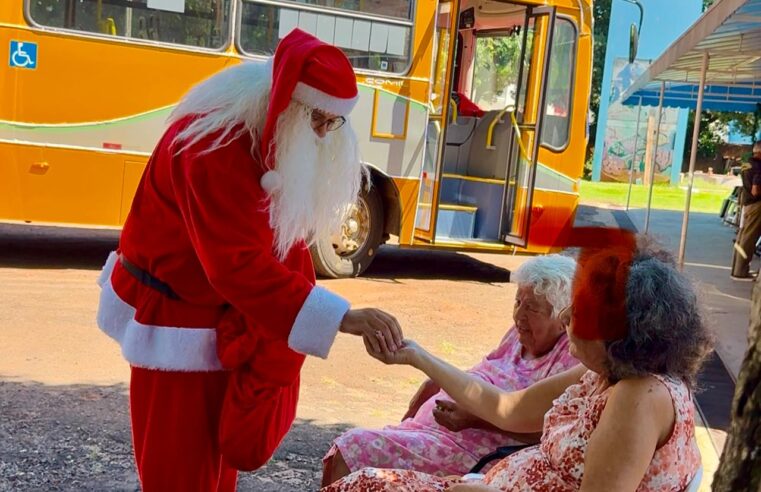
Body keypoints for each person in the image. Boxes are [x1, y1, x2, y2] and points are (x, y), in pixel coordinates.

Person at [95, 29, 403, 491]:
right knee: (178, 473)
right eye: (318, 119)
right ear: (288, 102)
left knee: (216, 473)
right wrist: (340, 317)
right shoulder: (213, 145)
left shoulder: (264, 132)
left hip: (216, 325)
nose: (323, 132)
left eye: (332, 122)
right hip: (174, 326)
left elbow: (282, 243)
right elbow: (236, 265)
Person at [324, 232, 713, 492]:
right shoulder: (607, 372)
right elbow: (507, 408)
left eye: (575, 313)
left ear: (617, 331)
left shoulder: (639, 398)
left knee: (363, 484)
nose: (564, 321)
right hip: (489, 482)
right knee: (363, 481)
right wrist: (417, 356)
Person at [322, 255, 579, 485]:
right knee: (354, 450)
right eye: (517, 302)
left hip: (471, 451)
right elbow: (488, 372)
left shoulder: (571, 358)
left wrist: (475, 419)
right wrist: (438, 382)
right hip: (434, 433)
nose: (518, 316)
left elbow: (547, 432)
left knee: (354, 448)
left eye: (532, 308)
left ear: (562, 317)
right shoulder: (519, 334)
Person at [732, 141, 761, 280]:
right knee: (749, 239)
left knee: (743, 236)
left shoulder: (747, 164)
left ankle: (736, 269)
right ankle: (741, 271)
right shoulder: (759, 167)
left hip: (747, 203)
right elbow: (756, 190)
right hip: (756, 205)